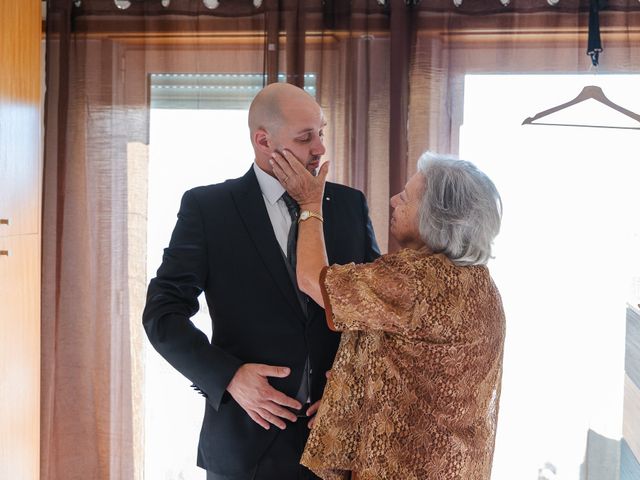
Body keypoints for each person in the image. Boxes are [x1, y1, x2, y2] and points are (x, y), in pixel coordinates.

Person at [142, 82, 380, 480]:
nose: (319, 148)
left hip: (338, 444)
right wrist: (228, 376)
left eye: (320, 132)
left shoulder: (349, 205)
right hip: (244, 446)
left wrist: (355, 388)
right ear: (263, 140)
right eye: (305, 138)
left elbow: (374, 316)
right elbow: (162, 314)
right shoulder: (208, 209)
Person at [270, 150, 505, 480]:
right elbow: (423, 376)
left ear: (434, 217)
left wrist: (310, 204)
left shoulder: (416, 281)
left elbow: (312, 278)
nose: (394, 200)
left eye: (406, 197)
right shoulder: (483, 287)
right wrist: (351, 399)